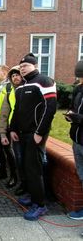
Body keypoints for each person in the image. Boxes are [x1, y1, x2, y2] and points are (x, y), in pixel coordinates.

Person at [10, 53, 57, 221]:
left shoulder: (44, 81)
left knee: (34, 169)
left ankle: (40, 205)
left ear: (35, 66)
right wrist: (13, 128)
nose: (22, 69)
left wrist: (40, 132)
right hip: (22, 133)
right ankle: (32, 195)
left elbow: (50, 108)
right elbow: (17, 110)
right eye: (20, 66)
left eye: (26, 66)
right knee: (26, 167)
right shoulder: (22, 85)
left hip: (35, 134)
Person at [0, 65, 23, 188]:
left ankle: (25, 183)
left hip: (26, 131)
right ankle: (14, 177)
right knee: (13, 155)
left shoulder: (28, 89)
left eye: (17, 74)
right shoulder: (9, 92)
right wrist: (2, 133)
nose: (15, 77)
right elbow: (4, 113)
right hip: (11, 129)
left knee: (24, 158)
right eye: (13, 75)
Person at [66, 60, 83, 223]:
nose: (80, 81)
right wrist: (70, 116)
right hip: (77, 140)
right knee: (82, 175)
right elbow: (72, 108)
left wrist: (80, 118)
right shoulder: (78, 89)